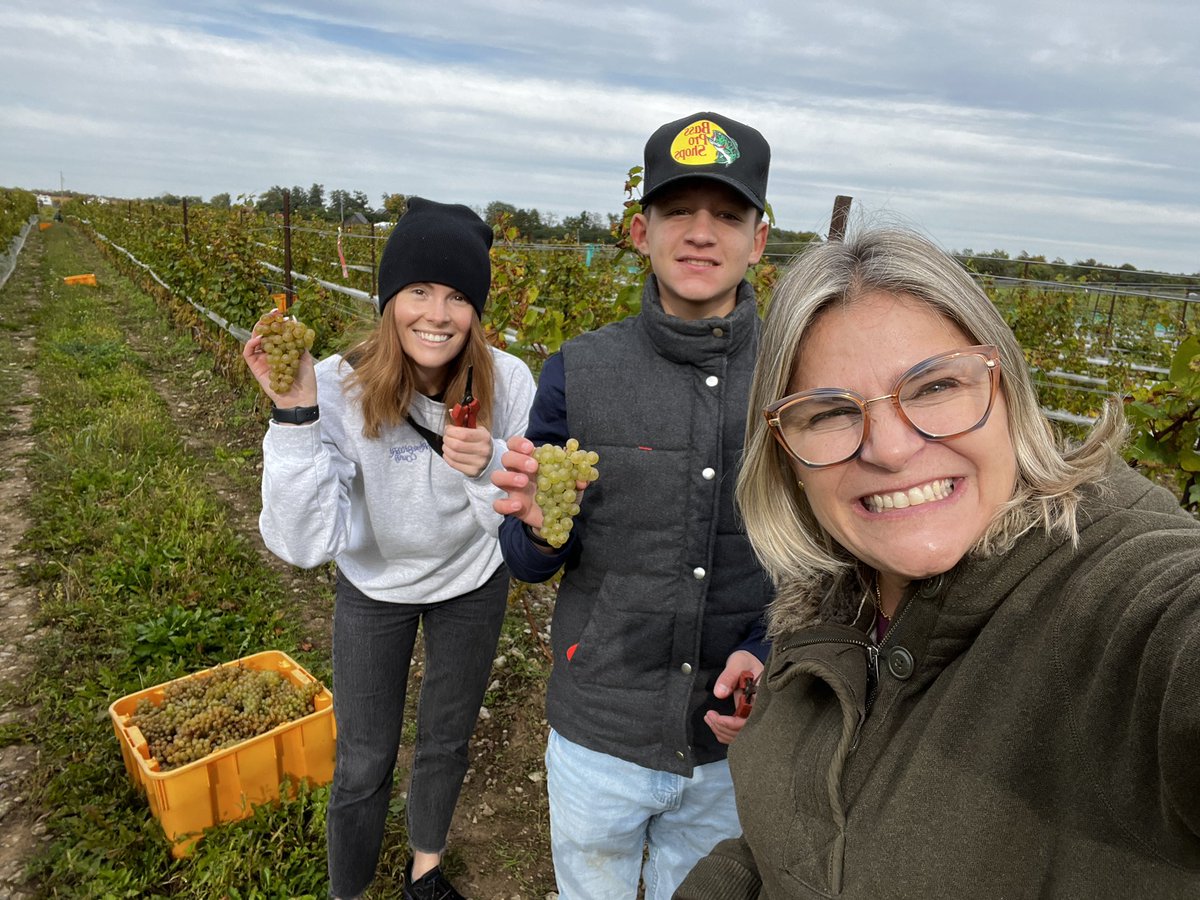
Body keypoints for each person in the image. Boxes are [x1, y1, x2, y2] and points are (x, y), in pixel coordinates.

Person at [676, 228, 1200, 899]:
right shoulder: (832, 602)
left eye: (934, 386)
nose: (891, 449)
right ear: (785, 456)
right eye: (831, 412)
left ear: (1007, 391)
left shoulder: (1117, 595)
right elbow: (789, 843)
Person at [491, 111, 776, 899]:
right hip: (599, 741)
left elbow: (830, 561)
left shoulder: (797, 377)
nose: (699, 233)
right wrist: (540, 534)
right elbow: (526, 559)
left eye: (726, 214)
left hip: (730, 750)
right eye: (677, 211)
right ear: (640, 231)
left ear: (757, 240)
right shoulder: (579, 371)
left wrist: (775, 656)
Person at [243, 197, 536, 900]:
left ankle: (424, 871)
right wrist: (294, 414)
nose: (437, 313)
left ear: (477, 309)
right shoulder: (342, 389)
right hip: (374, 587)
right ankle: (348, 890)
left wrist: (484, 464)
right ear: (389, 299)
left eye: (458, 296)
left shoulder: (511, 382)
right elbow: (306, 542)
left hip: (472, 579)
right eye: (418, 291)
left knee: (446, 737)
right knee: (364, 757)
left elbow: (517, 527)